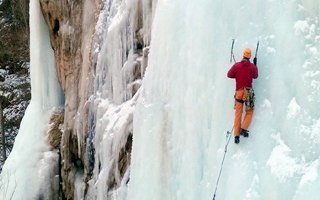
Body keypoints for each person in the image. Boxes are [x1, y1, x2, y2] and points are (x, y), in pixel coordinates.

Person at [227, 48, 258, 144]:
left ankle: (236, 136)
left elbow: (229, 75)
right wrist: (255, 65)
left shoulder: (237, 66)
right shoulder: (252, 67)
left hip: (239, 92)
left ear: (243, 55)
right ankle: (243, 129)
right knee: (249, 111)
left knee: (238, 114)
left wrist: (236, 75)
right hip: (248, 92)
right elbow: (255, 76)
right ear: (249, 57)